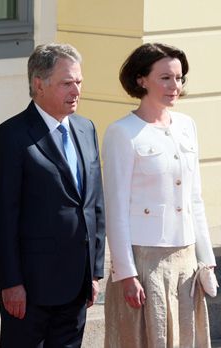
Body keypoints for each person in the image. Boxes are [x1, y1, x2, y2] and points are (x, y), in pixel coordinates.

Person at [0, 43, 106, 347]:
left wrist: (94, 271)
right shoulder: (9, 137)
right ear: (39, 84)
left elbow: (94, 205)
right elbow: (0, 219)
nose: (76, 90)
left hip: (76, 284)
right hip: (30, 291)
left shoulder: (85, 128)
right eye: (67, 83)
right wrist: (10, 282)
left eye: (78, 82)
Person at [103, 43, 216, 347]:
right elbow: (116, 208)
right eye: (165, 77)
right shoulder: (122, 132)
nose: (175, 86)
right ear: (142, 80)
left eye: (179, 78)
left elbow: (195, 200)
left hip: (186, 259)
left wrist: (206, 260)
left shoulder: (186, 126)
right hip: (145, 261)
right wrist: (126, 273)